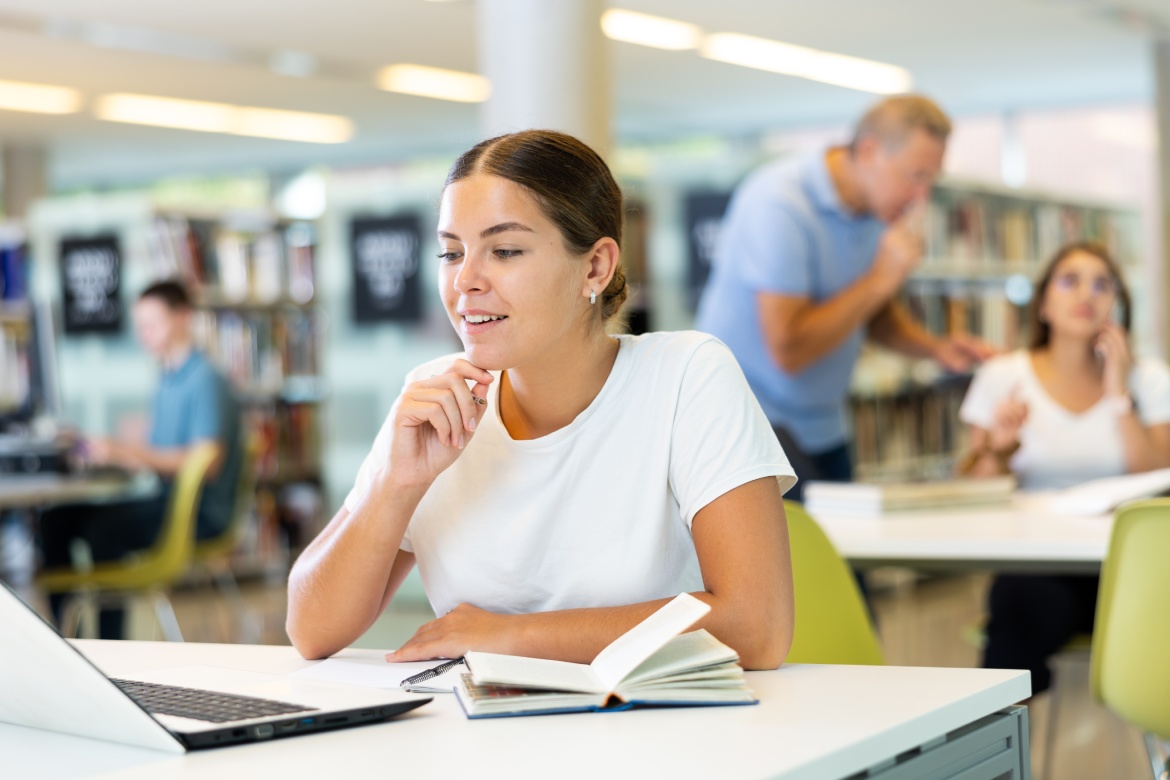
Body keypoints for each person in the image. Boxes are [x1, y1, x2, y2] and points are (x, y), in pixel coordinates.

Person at [286, 130, 798, 669]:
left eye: (504, 250)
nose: (465, 281)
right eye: (451, 251)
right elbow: (312, 630)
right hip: (480, 737)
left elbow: (755, 626)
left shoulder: (687, 376)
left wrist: (508, 636)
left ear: (595, 268)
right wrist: (397, 484)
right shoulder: (437, 396)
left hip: (654, 738)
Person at [695, 94, 995, 501]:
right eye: (914, 175)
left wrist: (936, 349)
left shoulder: (875, 211)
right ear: (869, 151)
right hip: (753, 428)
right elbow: (790, 348)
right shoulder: (779, 202)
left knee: (844, 557)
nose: (920, 197)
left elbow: (872, 314)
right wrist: (879, 278)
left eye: (930, 180)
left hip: (825, 424)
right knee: (796, 561)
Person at [957, 241, 1170, 694]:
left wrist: (1118, 391)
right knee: (1019, 604)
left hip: (1132, 565)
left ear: (1117, 305)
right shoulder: (1003, 376)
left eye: (1102, 284)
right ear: (1044, 303)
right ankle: (999, 750)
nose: (1086, 295)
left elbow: (1156, 474)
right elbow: (971, 492)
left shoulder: (1147, 379)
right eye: (1070, 281)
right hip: (1041, 565)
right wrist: (999, 450)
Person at [38, 280, 242, 638]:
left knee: (105, 529)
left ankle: (108, 645)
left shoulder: (204, 379)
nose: (143, 334)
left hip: (197, 511)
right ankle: (70, 635)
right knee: (56, 521)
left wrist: (128, 452)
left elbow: (206, 464)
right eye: (140, 325)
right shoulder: (167, 377)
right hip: (167, 499)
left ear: (183, 318)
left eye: (152, 324)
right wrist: (102, 446)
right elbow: (161, 447)